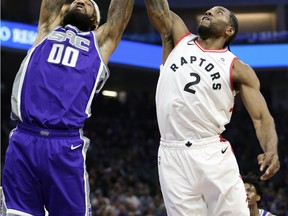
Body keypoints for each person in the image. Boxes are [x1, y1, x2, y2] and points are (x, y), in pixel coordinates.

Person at [144, 1, 280, 215]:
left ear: (229, 30)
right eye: (209, 10)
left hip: (210, 152)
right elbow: (158, 8)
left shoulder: (237, 68)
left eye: (219, 12)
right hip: (171, 153)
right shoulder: (179, 39)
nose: (209, 12)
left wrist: (271, 149)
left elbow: (261, 117)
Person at [2, 0, 134, 215]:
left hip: (64, 144)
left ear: (95, 21)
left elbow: (119, 17)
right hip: (24, 140)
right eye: (75, 1)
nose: (81, 1)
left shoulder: (99, 42)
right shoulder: (47, 30)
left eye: (89, 3)